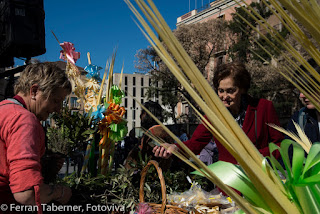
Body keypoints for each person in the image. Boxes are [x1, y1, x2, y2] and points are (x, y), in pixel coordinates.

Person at [153, 62, 283, 165]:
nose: (224, 96)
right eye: (221, 91)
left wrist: (258, 157)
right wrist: (174, 148)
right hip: (230, 187)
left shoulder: (264, 107)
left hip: (262, 183)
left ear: (242, 88)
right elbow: (195, 143)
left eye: (231, 91)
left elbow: (280, 145)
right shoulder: (213, 116)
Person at [0, 62, 72, 209]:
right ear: (34, 91)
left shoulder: (4, 109)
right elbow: (28, 193)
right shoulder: (24, 120)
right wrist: (61, 192)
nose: (57, 110)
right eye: (55, 101)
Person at [286, 59, 320, 142]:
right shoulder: (299, 119)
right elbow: (290, 152)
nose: (301, 95)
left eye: (308, 89)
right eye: (300, 90)